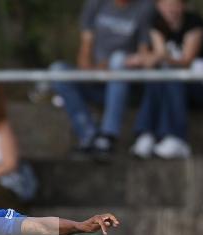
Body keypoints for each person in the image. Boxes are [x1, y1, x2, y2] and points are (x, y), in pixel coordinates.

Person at [50, 0, 155, 158]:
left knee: (118, 59)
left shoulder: (145, 7)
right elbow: (85, 47)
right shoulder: (96, 3)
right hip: (97, 76)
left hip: (127, 84)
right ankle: (88, 135)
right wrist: (90, 71)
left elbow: (143, 53)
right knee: (57, 70)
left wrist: (111, 66)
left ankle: (108, 136)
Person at [130, 0, 203, 160]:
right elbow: (151, 61)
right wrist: (153, 57)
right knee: (157, 78)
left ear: (183, 5)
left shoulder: (194, 22)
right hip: (176, 86)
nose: (171, 9)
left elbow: (186, 61)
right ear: (158, 6)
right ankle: (146, 134)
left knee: (172, 75)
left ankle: (177, 138)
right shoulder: (156, 24)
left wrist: (158, 56)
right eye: (166, 4)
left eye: (175, 4)